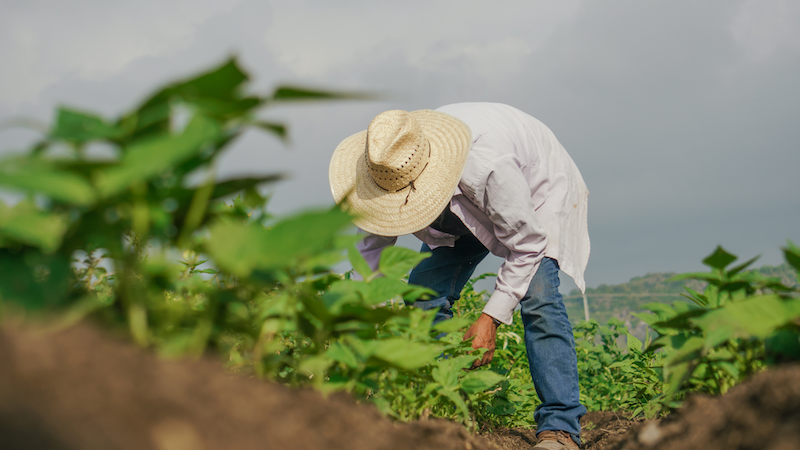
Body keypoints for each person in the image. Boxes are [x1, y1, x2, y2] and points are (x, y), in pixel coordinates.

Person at [328, 103, 590, 450]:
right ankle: (437, 408)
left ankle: (560, 426)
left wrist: (490, 318)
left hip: (534, 193)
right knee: (423, 296)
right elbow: (372, 257)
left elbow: (527, 245)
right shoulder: (388, 166)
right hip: (461, 209)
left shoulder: (488, 167)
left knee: (539, 295)